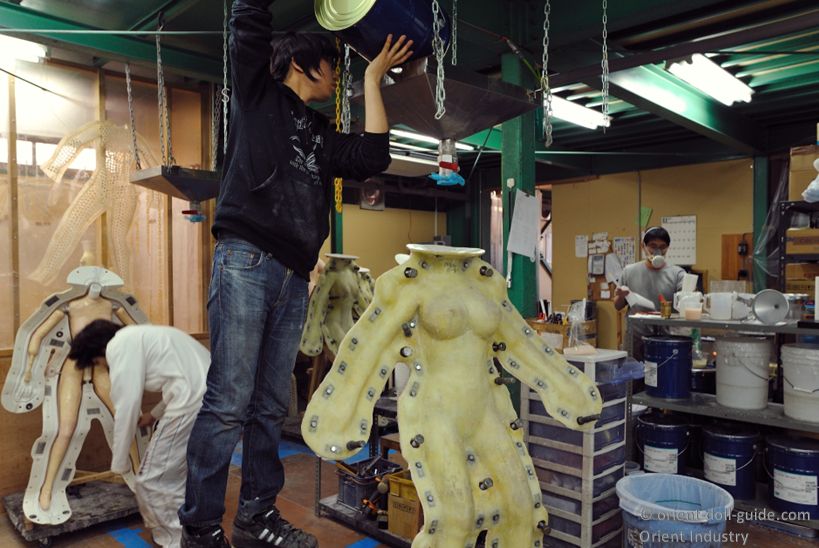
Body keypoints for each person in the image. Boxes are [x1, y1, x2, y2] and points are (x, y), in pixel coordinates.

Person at [178, 1, 413, 547]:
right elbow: (247, 24)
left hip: (292, 273)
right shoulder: (258, 96)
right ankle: (200, 529)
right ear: (304, 66)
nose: (336, 75)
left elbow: (374, 154)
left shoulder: (319, 133)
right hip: (246, 259)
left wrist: (374, 77)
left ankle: (256, 519)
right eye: (332, 66)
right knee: (229, 400)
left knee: (268, 407)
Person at [68, 320, 210, 548]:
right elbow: (179, 378)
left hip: (190, 404)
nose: (103, 366)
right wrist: (153, 416)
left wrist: (119, 462)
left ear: (100, 349)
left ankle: (177, 541)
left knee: (150, 480)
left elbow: (127, 406)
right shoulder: (145, 334)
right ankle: (192, 530)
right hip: (210, 400)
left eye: (96, 362)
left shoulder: (119, 345)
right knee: (176, 474)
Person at [614, 226, 685, 360]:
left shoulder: (677, 274)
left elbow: (686, 304)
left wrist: (690, 297)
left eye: (662, 246)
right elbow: (617, 306)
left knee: (665, 377)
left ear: (668, 248)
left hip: (666, 339)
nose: (658, 251)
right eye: (653, 246)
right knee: (635, 377)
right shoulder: (629, 271)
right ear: (643, 246)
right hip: (635, 338)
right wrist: (621, 296)